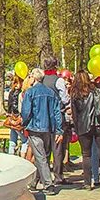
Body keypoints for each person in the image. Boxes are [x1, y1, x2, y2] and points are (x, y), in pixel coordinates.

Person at [19, 68, 59, 195]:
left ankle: (48, 184)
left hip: (35, 127)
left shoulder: (31, 92)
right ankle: (33, 182)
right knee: (42, 156)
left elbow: (26, 111)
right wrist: (58, 129)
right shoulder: (50, 93)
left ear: (34, 78)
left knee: (41, 156)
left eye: (30, 76)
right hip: (48, 128)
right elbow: (56, 112)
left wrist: (24, 123)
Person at [70, 71, 100, 190]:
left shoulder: (76, 94)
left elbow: (74, 114)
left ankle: (87, 183)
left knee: (86, 155)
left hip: (84, 126)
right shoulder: (97, 90)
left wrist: (77, 128)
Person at [40, 56, 68, 185]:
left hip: (43, 118)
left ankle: (43, 175)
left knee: (45, 149)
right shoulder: (59, 81)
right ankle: (58, 176)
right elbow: (65, 98)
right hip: (57, 117)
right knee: (57, 148)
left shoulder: (41, 80)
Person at [6, 75, 24, 155]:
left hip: (11, 117)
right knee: (25, 140)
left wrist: (9, 114)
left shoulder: (11, 92)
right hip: (18, 117)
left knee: (12, 139)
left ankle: (11, 156)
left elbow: (10, 105)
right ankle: (23, 157)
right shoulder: (20, 93)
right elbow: (17, 106)